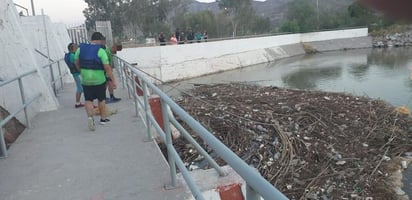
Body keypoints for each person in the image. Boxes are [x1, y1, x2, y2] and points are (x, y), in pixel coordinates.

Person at [75, 32, 116, 131]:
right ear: (98, 40)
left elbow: (76, 62)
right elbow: (107, 67)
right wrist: (113, 80)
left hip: (86, 80)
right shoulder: (101, 51)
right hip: (99, 80)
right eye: (101, 40)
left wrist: (81, 72)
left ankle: (90, 118)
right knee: (101, 100)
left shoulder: (80, 49)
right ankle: (103, 119)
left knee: (88, 100)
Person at [64, 42, 84, 108]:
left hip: (75, 73)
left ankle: (78, 103)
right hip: (77, 73)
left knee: (80, 88)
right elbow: (76, 64)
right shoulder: (73, 55)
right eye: (75, 47)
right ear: (72, 48)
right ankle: (79, 103)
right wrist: (81, 71)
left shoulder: (70, 55)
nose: (77, 47)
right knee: (80, 88)